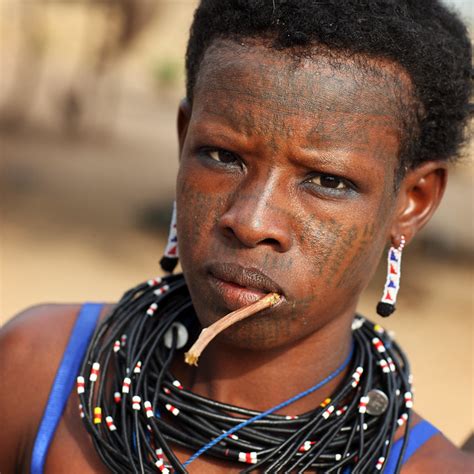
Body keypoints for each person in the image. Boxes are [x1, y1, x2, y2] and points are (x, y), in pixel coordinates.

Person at [1, 0, 472, 472]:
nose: (250, 222)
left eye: (327, 181)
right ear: (184, 140)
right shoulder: (40, 374)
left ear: (413, 200)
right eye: (222, 156)